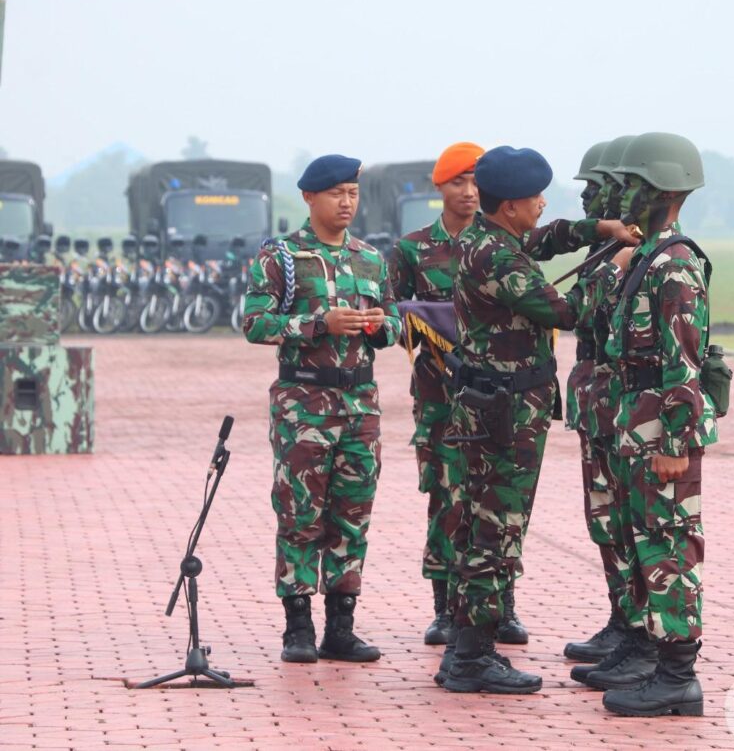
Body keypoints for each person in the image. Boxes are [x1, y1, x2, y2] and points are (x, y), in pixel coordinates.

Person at [439, 145, 637, 694]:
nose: (542, 204)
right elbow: (568, 312)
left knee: (483, 527)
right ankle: (473, 658)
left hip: (497, 406)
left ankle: (464, 648)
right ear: (509, 207)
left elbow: (547, 239)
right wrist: (615, 266)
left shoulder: (489, 238)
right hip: (505, 413)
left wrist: (601, 230)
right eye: (535, 198)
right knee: (495, 531)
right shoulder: (498, 259)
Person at [243, 154, 401, 665]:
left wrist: (380, 326)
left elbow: (396, 322)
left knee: (352, 516)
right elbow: (255, 323)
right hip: (304, 405)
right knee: (299, 515)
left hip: (360, 405)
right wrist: (317, 324)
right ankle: (297, 627)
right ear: (310, 197)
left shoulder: (370, 258)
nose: (346, 202)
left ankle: (341, 628)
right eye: (336, 194)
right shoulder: (282, 257)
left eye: (352, 193)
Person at [582, 132, 720, 717]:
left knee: (669, 549)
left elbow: (682, 363)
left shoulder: (675, 264)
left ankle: (677, 676)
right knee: (647, 544)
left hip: (660, 433)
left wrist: (675, 441)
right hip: (636, 424)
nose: (621, 196)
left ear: (663, 190)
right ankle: (657, 662)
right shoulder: (649, 256)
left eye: (631, 185)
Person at [388, 142, 484, 646]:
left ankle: (499, 606)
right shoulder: (412, 249)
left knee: (498, 500)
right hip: (439, 396)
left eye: (476, 182)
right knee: (446, 497)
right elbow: (391, 315)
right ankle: (445, 609)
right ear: (439, 187)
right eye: (457, 182)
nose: (469, 192)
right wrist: (435, 336)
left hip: (495, 395)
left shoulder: (502, 243)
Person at [562, 137, 639, 664]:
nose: (588, 199)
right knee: (605, 518)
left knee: (630, 522)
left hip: (623, 404)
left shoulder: (641, 251)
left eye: (597, 188)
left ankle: (638, 627)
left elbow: (584, 312)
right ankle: (621, 617)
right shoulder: (607, 248)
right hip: (597, 402)